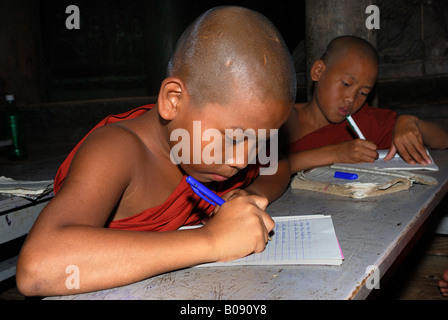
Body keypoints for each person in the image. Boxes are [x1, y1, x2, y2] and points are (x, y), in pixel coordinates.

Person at [16, 6, 296, 296]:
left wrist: (247, 195)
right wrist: (213, 240)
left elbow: (280, 166)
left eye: (261, 142)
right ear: (173, 100)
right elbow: (37, 267)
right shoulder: (115, 151)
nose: (242, 160)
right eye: (235, 138)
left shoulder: (208, 158)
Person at [286, 35, 448, 174]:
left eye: (363, 93)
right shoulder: (282, 118)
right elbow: (265, 167)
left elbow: (443, 140)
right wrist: (335, 154)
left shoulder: (365, 121)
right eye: (346, 83)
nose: (351, 98)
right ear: (318, 71)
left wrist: (411, 122)